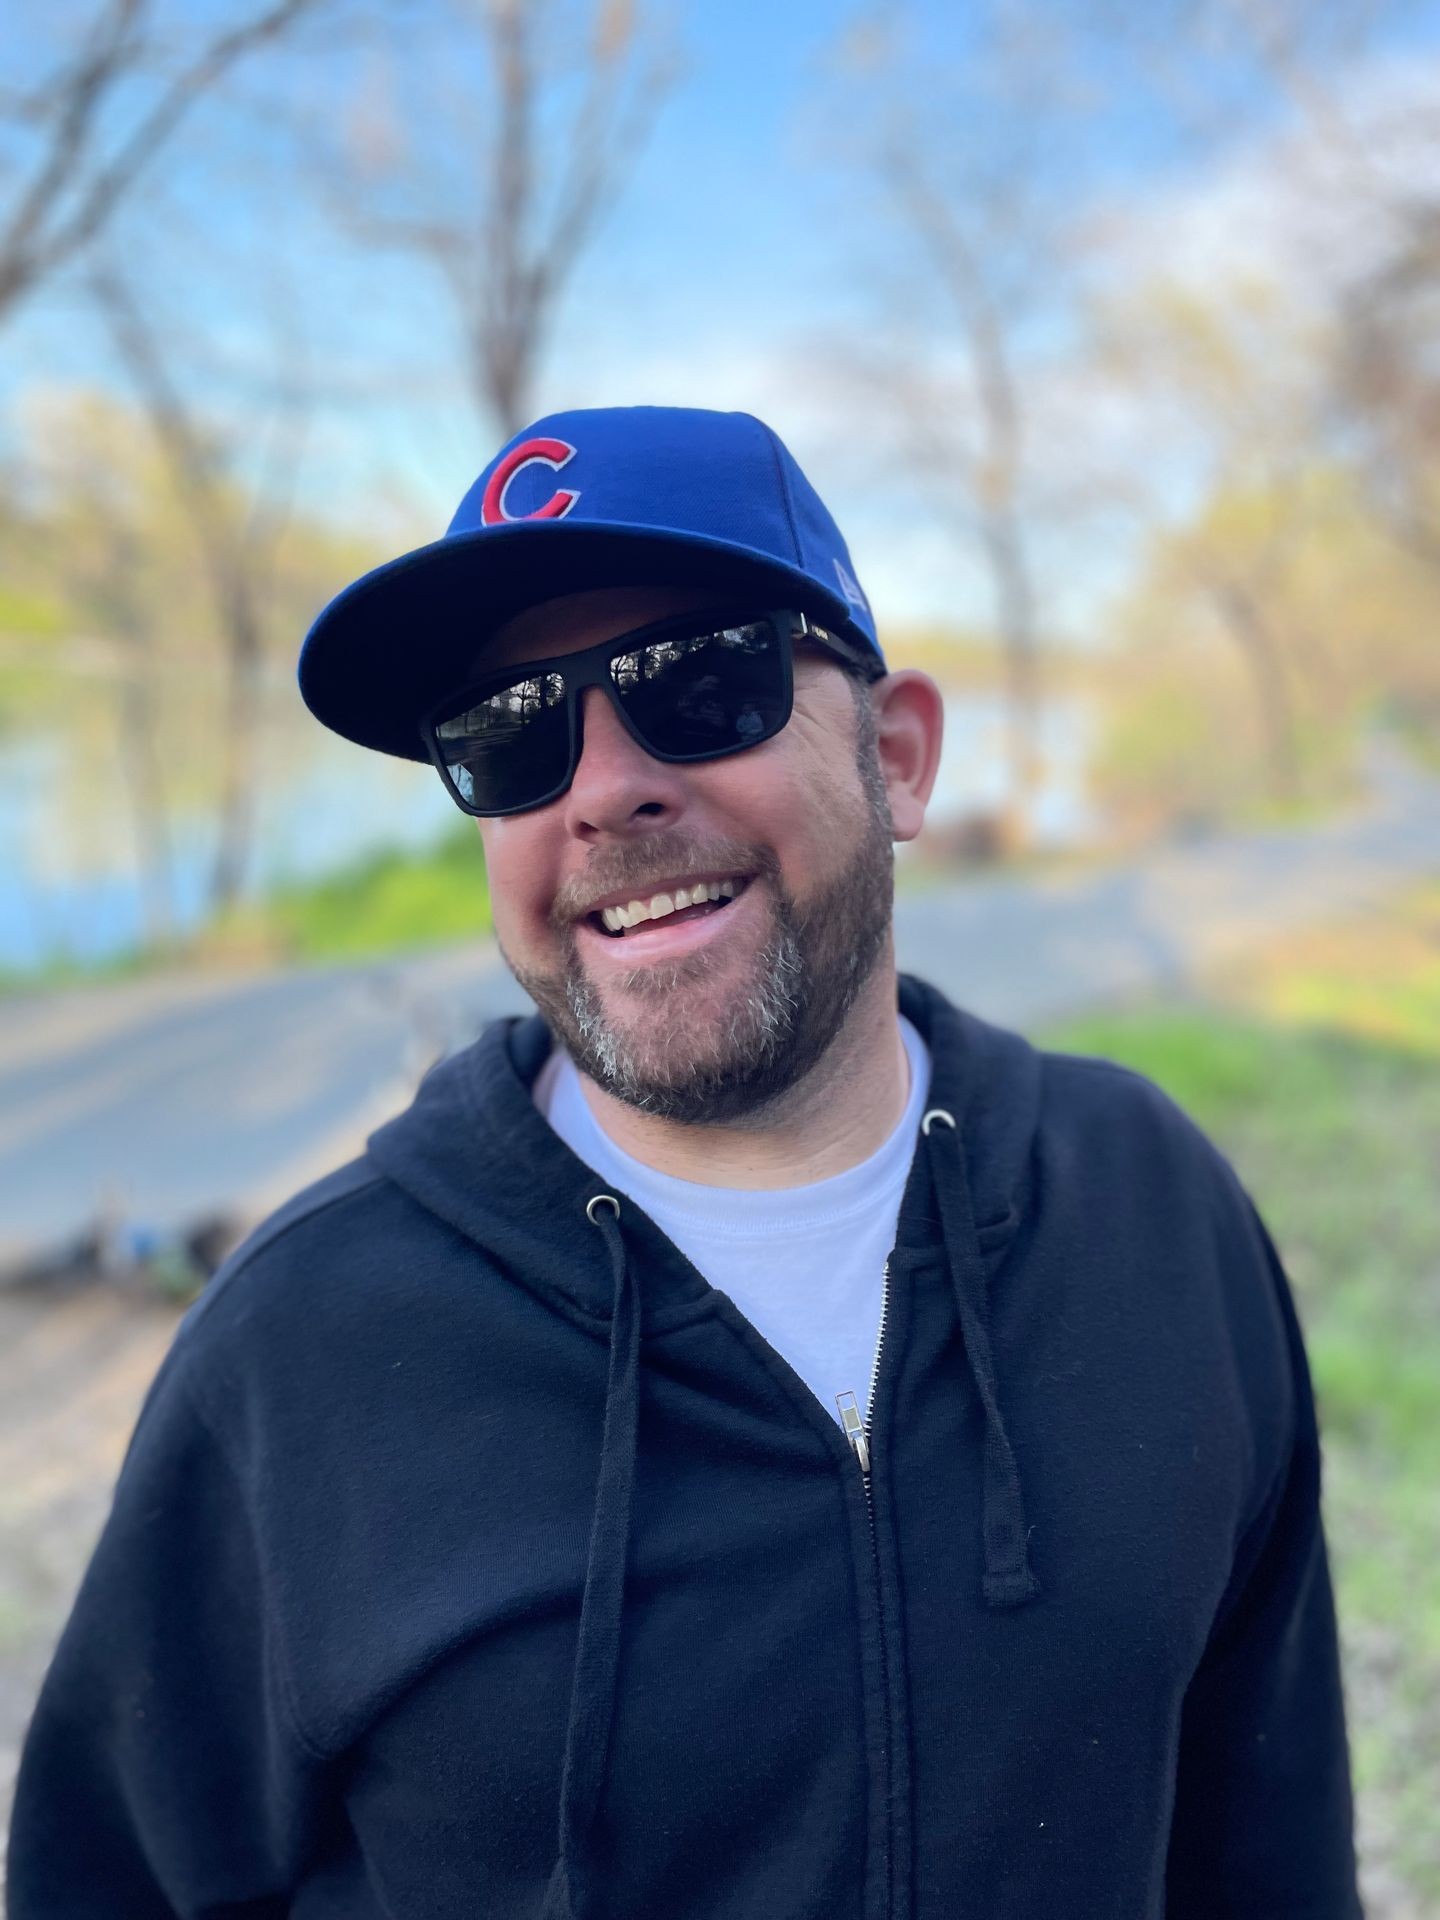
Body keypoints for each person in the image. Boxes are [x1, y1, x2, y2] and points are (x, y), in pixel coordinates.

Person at [8, 406, 1363, 1919]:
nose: (598, 792)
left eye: (697, 685)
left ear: (897, 757)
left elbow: (1271, 1832)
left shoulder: (1151, 1210)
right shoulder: (299, 1344)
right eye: (509, 735)